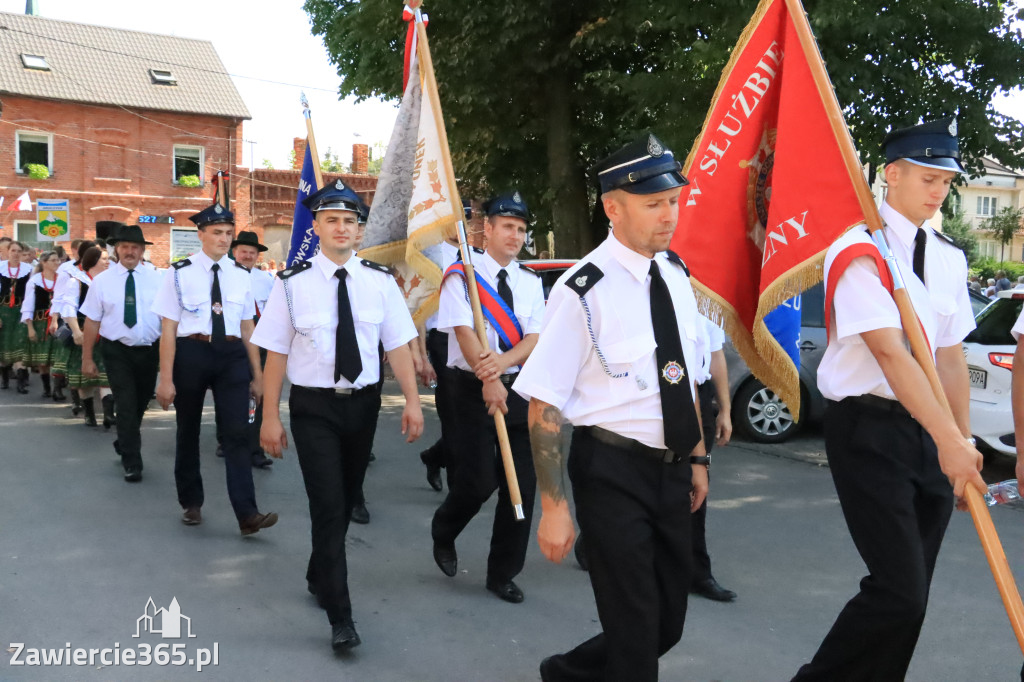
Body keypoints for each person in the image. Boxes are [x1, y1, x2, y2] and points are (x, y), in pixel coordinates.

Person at [791, 117, 987, 681]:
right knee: (898, 590)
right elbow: (892, 355)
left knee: (914, 595)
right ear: (891, 175)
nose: (938, 191)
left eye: (947, 181)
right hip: (870, 429)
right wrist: (950, 441)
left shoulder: (949, 257)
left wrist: (961, 440)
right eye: (927, 177)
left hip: (933, 435)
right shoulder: (856, 250)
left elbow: (949, 358)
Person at [513, 134, 708, 681]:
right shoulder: (581, 291)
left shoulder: (675, 275)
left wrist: (696, 458)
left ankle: (568, 672)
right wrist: (554, 508)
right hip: (611, 472)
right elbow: (544, 405)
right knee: (636, 638)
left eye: (673, 200)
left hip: (670, 472)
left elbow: (682, 375)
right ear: (612, 208)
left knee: (666, 624)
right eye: (653, 204)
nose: (668, 215)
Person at [254, 180, 424, 651]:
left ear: (358, 229)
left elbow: (398, 346)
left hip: (364, 405)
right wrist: (270, 417)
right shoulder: (291, 285)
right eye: (333, 220)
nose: (343, 227)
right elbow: (275, 356)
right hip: (313, 408)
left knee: (346, 500)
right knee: (328, 506)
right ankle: (341, 618)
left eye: (350, 220)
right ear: (317, 226)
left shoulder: (379, 282)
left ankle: (318, 570)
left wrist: (411, 401)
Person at [429, 191, 544, 605]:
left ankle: (502, 573)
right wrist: (486, 375)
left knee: (522, 486)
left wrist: (502, 366)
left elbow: (534, 336)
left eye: (521, 229)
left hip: (516, 385)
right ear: (489, 228)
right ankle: (444, 528)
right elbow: (462, 329)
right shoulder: (461, 274)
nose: (515, 235)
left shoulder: (530, 282)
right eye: (508, 227)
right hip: (467, 388)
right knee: (478, 481)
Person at [151, 196, 277, 536]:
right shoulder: (178, 274)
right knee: (188, 429)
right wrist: (165, 378)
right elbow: (168, 328)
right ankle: (191, 502)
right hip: (193, 353)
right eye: (217, 232)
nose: (224, 239)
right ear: (201, 234)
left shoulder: (241, 275)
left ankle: (247, 513)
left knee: (237, 433)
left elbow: (248, 325)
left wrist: (258, 374)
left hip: (232, 356)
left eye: (228, 233)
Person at [80, 225, 162, 482]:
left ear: (142, 251)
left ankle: (124, 441)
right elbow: (92, 321)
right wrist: (87, 358)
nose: (129, 251)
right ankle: (132, 461)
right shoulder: (102, 282)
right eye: (124, 247)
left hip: (149, 351)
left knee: (139, 404)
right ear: (116, 250)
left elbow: (169, 318)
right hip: (116, 351)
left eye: (134, 247)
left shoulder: (157, 278)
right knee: (126, 404)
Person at [419, 202, 470, 492]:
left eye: (465, 219)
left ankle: (435, 456)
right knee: (453, 412)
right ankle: (458, 485)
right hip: (441, 337)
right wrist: (422, 356)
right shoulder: (430, 255)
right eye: (454, 220)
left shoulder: (475, 256)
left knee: (469, 412)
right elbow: (418, 305)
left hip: (471, 338)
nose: (460, 225)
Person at [214, 230, 275, 470]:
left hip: (261, 340)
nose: (248, 256)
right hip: (234, 340)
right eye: (243, 252)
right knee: (229, 393)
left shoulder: (267, 279)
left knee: (260, 392)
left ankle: (255, 448)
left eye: (252, 252)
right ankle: (225, 438)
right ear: (234, 252)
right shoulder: (223, 275)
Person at [690, 313, 736, 602]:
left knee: (697, 485)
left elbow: (716, 355)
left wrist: (726, 410)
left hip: (700, 395)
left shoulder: (707, 297)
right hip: (658, 392)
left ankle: (697, 573)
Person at [59, 245, 111, 427]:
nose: (108, 262)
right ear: (93, 260)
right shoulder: (77, 281)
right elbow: (68, 308)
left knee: (106, 373)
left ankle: (108, 414)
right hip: (83, 330)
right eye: (104, 258)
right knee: (85, 378)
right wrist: (76, 331)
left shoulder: (109, 281)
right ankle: (89, 413)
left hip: (106, 332)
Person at [20, 251, 61, 399]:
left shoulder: (63, 279)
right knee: (43, 360)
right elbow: (28, 305)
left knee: (59, 357)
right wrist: (30, 328)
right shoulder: (35, 280)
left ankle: (58, 389)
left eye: (58, 260)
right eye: (53, 260)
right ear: (44, 263)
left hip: (58, 322)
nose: (57, 263)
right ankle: (47, 388)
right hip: (40, 322)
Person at [0, 241, 35, 392]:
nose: (15, 254)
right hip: (4, 310)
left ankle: (21, 382)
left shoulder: (29, 270)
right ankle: (5, 379)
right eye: (13, 250)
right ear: (7, 252)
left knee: (21, 343)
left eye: (18, 251)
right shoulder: (0, 268)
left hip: (21, 310)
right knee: (4, 342)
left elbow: (32, 294)